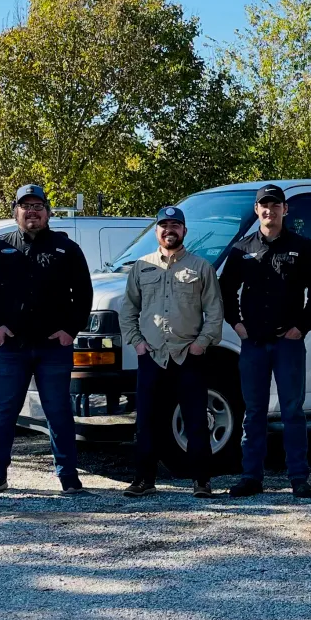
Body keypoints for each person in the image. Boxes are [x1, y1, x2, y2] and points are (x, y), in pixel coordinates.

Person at [0, 185, 94, 495]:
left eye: (38, 206)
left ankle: (68, 477)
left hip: (54, 348)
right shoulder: (0, 248)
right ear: (16, 212)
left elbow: (83, 294)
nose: (32, 212)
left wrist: (70, 330)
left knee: (58, 412)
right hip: (11, 348)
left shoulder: (66, 249)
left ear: (48, 212)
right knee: (3, 412)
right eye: (26, 206)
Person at [220, 184, 311, 499]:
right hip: (253, 344)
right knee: (254, 412)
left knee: (293, 411)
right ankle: (251, 477)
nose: (270, 210)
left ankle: (299, 478)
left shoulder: (302, 247)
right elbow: (226, 291)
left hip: (287, 343)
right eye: (264, 205)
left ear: (285, 209)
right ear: (257, 210)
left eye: (276, 205)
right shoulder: (241, 249)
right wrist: (237, 324)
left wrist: (302, 327)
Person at [120, 206, 224, 498]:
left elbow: (215, 312)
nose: (170, 230)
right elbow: (128, 311)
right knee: (147, 421)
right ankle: (143, 479)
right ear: (156, 231)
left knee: (196, 421)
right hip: (152, 355)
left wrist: (201, 344)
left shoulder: (201, 268)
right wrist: (137, 343)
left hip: (188, 356)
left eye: (175, 225)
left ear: (184, 231)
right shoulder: (142, 267)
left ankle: (201, 481)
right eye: (164, 225)